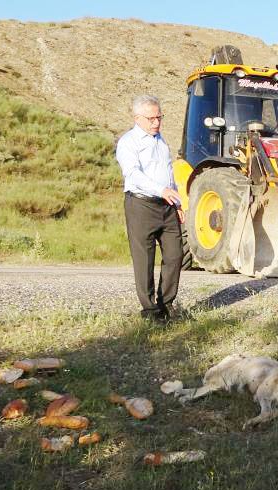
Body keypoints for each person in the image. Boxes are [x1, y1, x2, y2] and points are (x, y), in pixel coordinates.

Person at [115, 94, 184, 323]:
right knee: (144, 259)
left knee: (175, 255)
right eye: (151, 119)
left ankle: (167, 304)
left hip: (167, 206)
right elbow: (133, 174)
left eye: (159, 117)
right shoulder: (128, 142)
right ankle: (150, 311)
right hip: (141, 205)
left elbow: (168, 172)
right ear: (137, 118)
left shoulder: (161, 140)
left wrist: (177, 201)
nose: (156, 123)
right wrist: (161, 190)